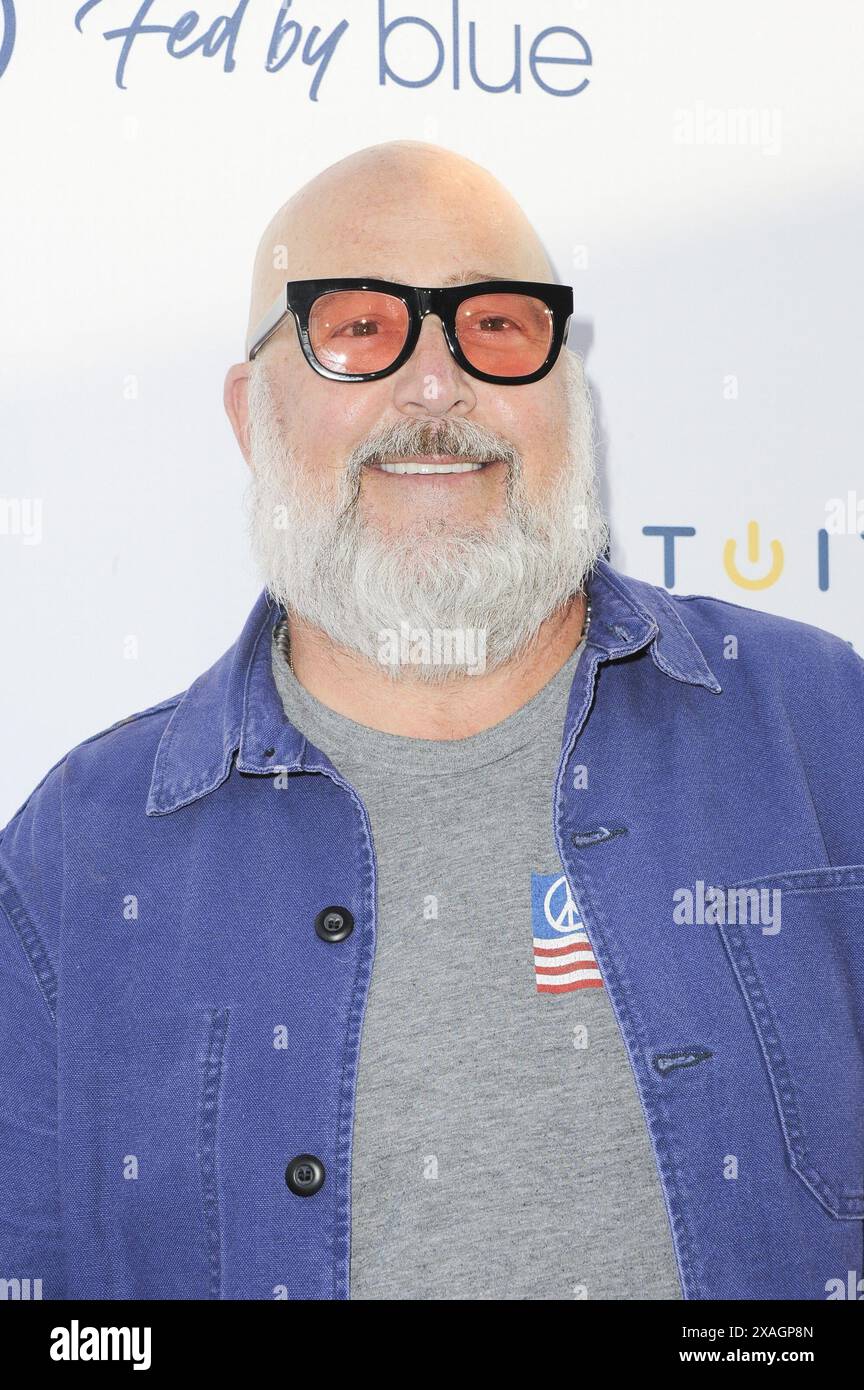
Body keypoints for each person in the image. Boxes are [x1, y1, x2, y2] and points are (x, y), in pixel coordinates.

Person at [1, 141, 862, 1303]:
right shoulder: (74, 859)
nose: (436, 384)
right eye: (358, 329)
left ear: (570, 392)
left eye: (497, 327)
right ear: (252, 413)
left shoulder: (821, 725)